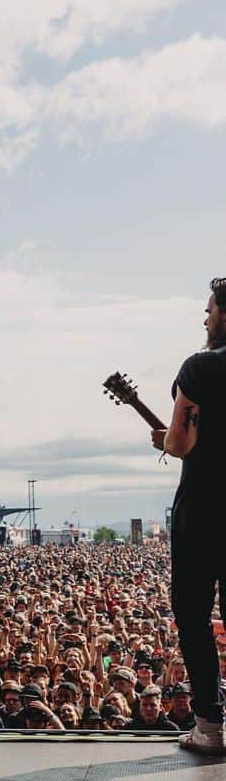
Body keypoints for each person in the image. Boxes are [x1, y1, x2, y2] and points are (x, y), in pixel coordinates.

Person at [152, 276, 226, 753]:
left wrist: (162, 441)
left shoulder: (200, 367)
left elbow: (180, 443)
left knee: (194, 616)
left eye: (210, 309)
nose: (205, 318)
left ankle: (210, 726)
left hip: (203, 512)